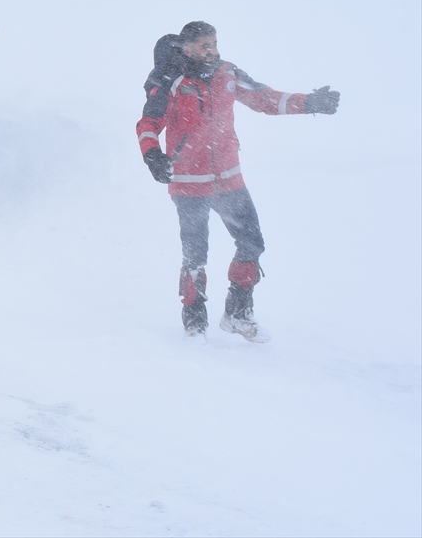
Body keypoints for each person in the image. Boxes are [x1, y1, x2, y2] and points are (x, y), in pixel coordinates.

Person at [137, 22, 340, 340]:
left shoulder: (227, 74)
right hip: (189, 182)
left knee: (252, 243)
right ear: (186, 48)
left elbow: (266, 99)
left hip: (229, 180)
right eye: (204, 45)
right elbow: (149, 121)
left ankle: (237, 314)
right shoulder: (171, 81)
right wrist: (152, 155)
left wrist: (310, 103)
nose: (212, 50)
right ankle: (194, 323)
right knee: (196, 254)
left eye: (214, 43)